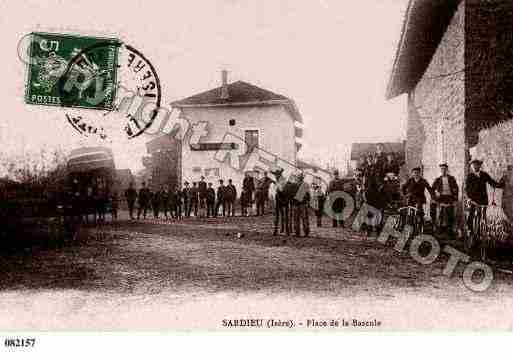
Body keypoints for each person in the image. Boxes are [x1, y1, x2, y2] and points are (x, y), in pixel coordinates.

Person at [465, 159, 505, 232]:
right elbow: (467, 189)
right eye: (473, 165)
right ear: (472, 166)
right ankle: (469, 230)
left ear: (480, 166)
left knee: (481, 216)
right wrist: (470, 198)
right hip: (473, 199)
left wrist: (501, 184)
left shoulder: (484, 175)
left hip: (482, 199)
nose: (475, 166)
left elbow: (492, 182)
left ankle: (479, 232)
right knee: (471, 214)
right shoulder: (469, 176)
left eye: (477, 165)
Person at [431, 163, 459, 236]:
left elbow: (456, 188)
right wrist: (434, 197)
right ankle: (440, 229)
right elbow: (432, 190)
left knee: (450, 213)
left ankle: (449, 230)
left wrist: (455, 198)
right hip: (441, 198)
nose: (443, 170)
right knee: (440, 213)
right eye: (442, 169)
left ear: (447, 170)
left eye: (445, 169)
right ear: (440, 170)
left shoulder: (452, 179)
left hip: (449, 197)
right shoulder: (437, 179)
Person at [292, 173, 310, 237]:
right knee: (304, 218)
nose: (298, 179)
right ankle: (306, 232)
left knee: (297, 219)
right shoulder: (306, 185)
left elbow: (292, 195)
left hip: (298, 204)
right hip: (302, 204)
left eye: (298, 178)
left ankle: (298, 232)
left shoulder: (295, 185)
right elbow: (308, 195)